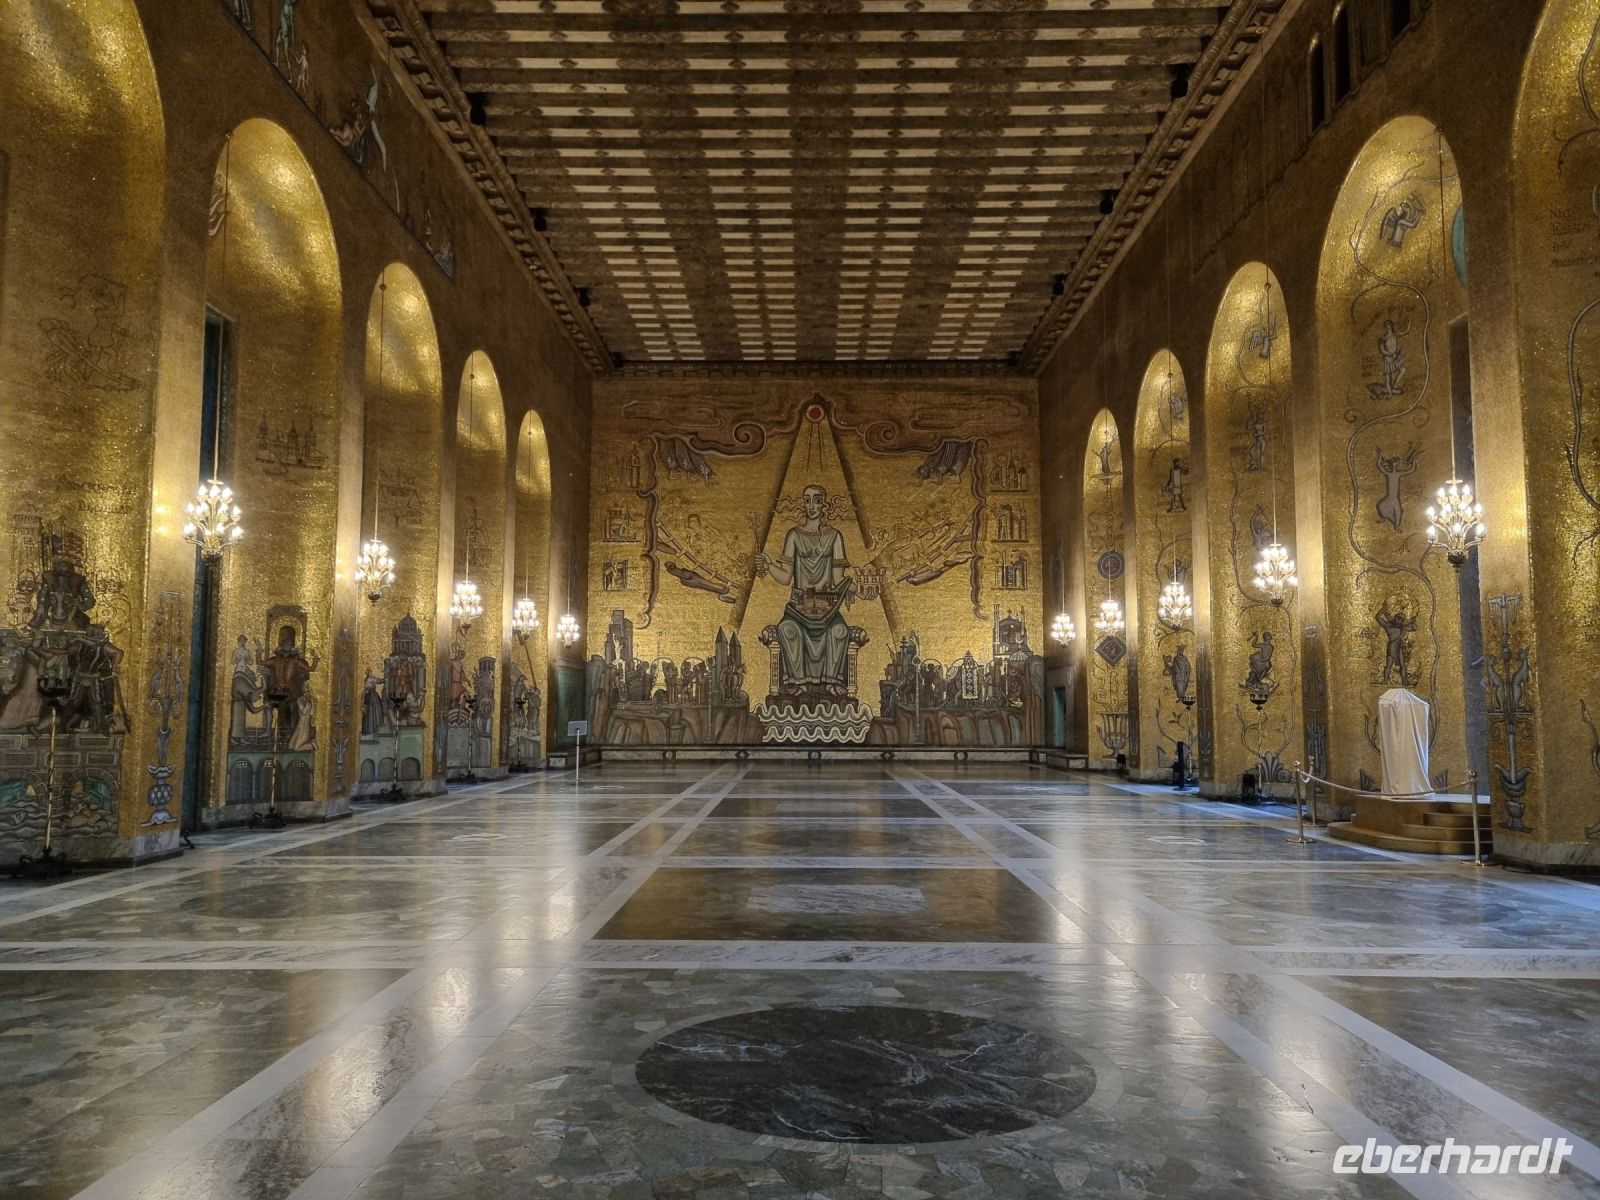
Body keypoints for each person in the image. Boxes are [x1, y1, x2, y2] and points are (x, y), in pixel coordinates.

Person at [754, 484, 876, 696]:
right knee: (787, 630)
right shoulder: (793, 535)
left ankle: (831, 683)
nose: (811, 505)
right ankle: (798, 683)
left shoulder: (834, 536)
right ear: (803, 503)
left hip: (826, 607)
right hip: (799, 607)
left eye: (817, 500)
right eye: (807, 500)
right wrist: (768, 564)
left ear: (824, 504)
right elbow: (784, 578)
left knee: (839, 631)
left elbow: (839, 579)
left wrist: (860, 592)